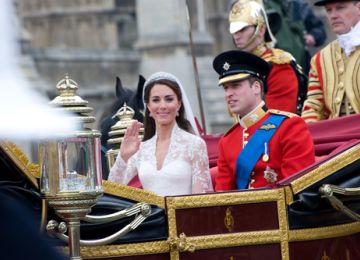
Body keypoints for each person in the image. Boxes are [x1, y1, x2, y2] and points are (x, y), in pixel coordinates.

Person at [212, 50, 315, 191]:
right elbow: (222, 196)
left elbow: (297, 189)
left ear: (256, 87)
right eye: (225, 88)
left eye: (235, 86)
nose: (228, 94)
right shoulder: (227, 141)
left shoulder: (289, 126)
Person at [108, 72, 213, 196]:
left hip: (184, 215)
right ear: (148, 106)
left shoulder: (195, 145)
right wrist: (123, 156)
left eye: (169, 99)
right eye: (156, 100)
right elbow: (112, 190)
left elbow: (201, 201)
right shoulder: (141, 149)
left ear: (179, 104)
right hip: (150, 215)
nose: (162, 106)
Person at [229, 0, 300, 114]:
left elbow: (277, 121)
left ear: (261, 30)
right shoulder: (239, 67)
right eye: (234, 30)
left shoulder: (278, 66)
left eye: (242, 29)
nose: (236, 36)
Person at [301, 0, 360, 122]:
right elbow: (313, 107)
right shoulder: (320, 58)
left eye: (340, 8)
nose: (333, 15)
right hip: (335, 137)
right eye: (329, 10)